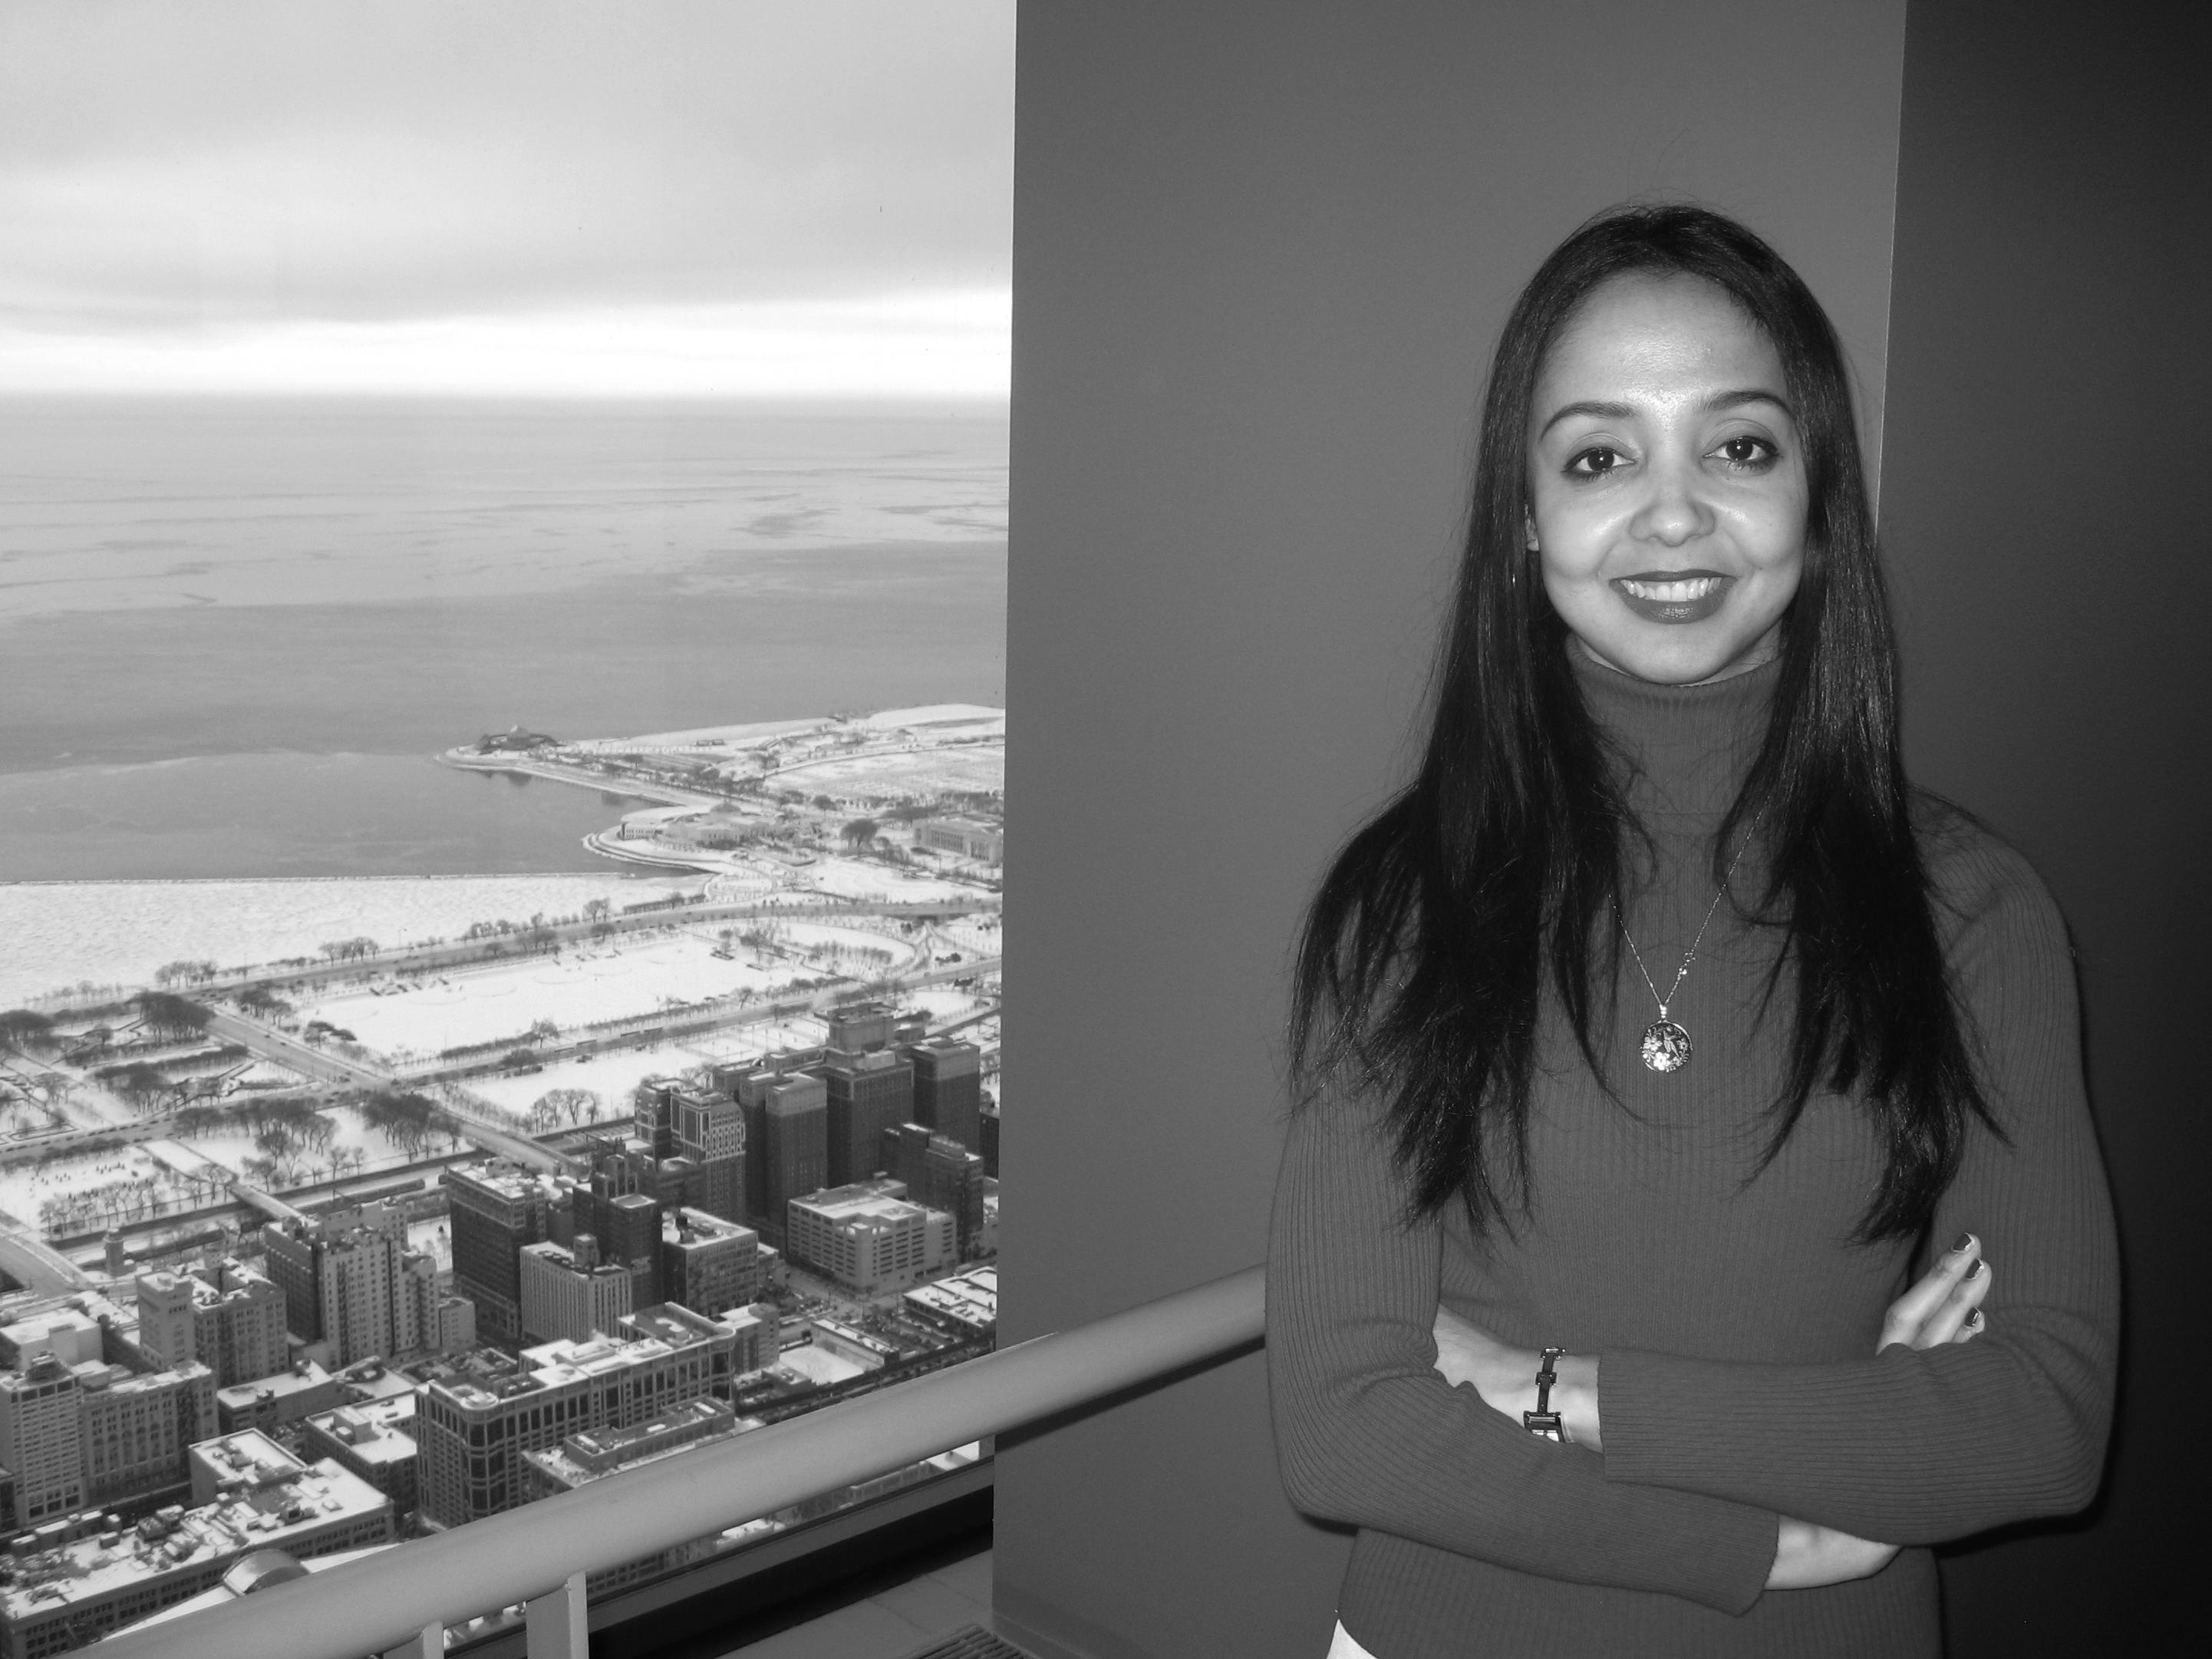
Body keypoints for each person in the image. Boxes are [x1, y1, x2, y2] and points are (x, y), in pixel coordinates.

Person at [1265, 205, 2118, 1658]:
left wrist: (1560, 1389)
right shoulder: (1409, 902)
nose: (1673, 515)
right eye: (1600, 456)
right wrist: (1774, 1526)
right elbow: (1343, 1427)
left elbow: (2044, 1421)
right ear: (1525, 518)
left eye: (1738, 447)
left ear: (1815, 494)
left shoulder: (1971, 906)